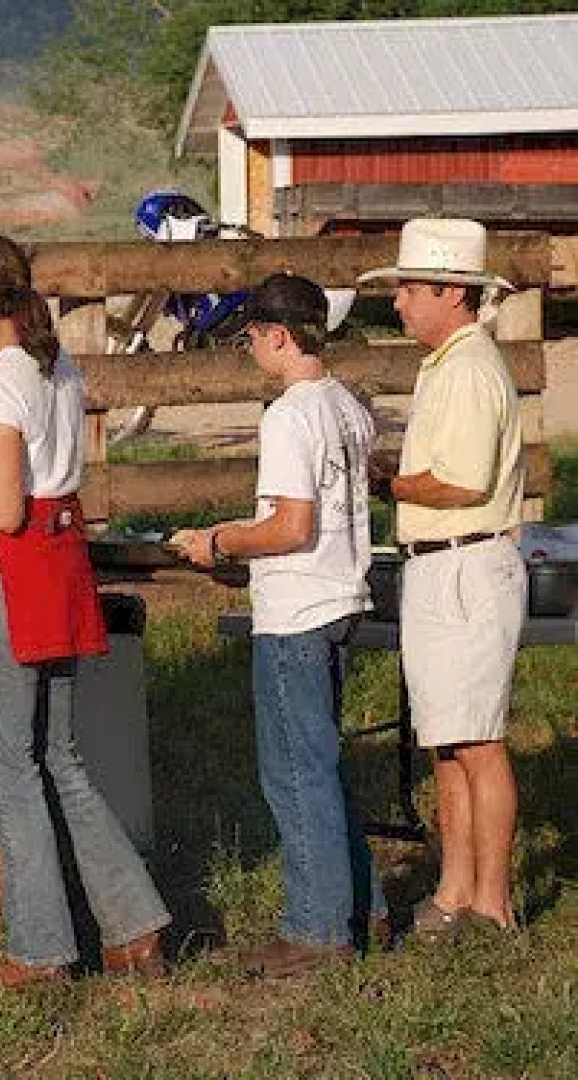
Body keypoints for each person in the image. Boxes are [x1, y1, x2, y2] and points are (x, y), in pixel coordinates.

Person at [0, 235, 171, 986]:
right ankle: (133, 925)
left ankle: (40, 951)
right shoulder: (57, 368)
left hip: (4, 576)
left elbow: (1, 510)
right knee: (60, 758)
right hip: (61, 566)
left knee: (11, 766)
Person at [171, 273, 387, 976]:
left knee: (294, 772)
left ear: (281, 337)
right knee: (322, 766)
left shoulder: (291, 415)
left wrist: (220, 542)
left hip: (296, 610)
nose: (251, 348)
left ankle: (317, 931)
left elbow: (291, 525)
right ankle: (363, 908)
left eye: (254, 337)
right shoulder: (347, 407)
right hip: (340, 597)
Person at [359, 219, 526, 941]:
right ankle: (457, 888)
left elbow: (460, 483)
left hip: (465, 561)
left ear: (450, 293)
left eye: (408, 288)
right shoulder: (451, 364)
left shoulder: (467, 369)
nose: (398, 302)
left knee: (478, 740)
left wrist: (387, 482)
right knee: (449, 738)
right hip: (442, 564)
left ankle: (492, 898)